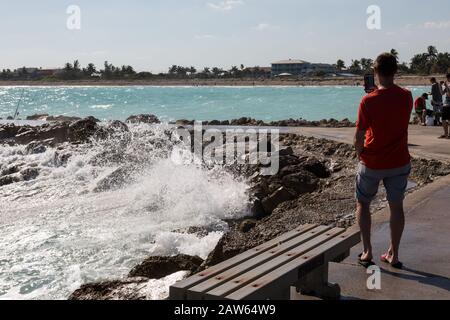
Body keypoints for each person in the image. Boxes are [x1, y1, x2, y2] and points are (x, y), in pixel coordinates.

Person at [354, 52, 413, 269]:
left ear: (376, 72)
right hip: (399, 161)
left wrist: (360, 154)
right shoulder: (407, 96)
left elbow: (359, 135)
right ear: (395, 71)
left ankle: (367, 251)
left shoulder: (368, 101)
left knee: (363, 203)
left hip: (373, 162)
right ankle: (393, 254)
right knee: (396, 207)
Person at [442, 74, 450, 138]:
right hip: (445, 104)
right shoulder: (448, 85)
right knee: (444, 119)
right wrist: (441, 86)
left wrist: (446, 86)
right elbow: (442, 93)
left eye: (447, 78)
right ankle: (446, 134)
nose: (447, 79)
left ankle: (448, 134)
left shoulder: (448, 85)